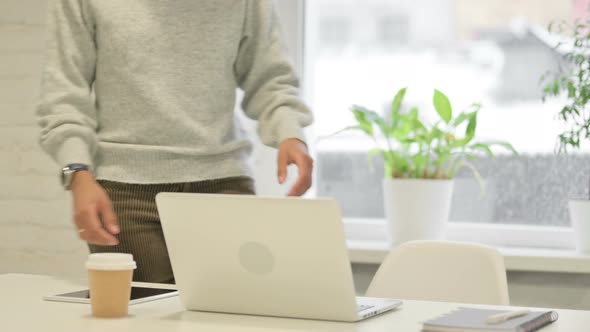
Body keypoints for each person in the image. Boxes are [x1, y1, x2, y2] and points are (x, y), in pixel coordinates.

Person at [36, 0, 313, 284]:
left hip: (225, 183)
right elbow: (64, 93)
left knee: (231, 313)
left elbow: (271, 79)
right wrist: (77, 173)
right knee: (147, 318)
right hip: (125, 193)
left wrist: (290, 133)